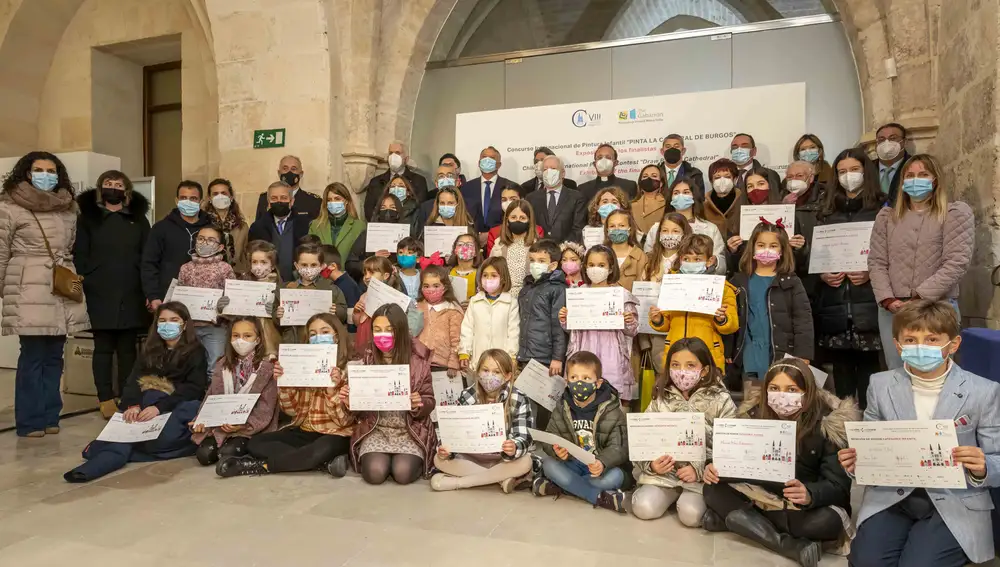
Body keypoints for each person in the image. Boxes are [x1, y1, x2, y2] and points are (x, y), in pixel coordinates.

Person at [842, 300, 1000, 567]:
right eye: (911, 339)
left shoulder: (983, 391)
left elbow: (997, 457)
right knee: (867, 561)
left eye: (931, 339)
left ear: (953, 344)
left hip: (954, 499)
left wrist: (983, 466)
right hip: (893, 494)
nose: (920, 346)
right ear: (898, 344)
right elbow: (870, 444)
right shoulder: (880, 385)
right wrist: (857, 463)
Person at [702, 358, 858, 567]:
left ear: (807, 391)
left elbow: (839, 486)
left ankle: (740, 522)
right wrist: (713, 467)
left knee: (826, 522)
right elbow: (733, 459)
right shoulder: (753, 414)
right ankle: (787, 544)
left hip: (802, 507)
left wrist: (810, 493)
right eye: (774, 388)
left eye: (792, 389)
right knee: (712, 490)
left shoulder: (829, 423)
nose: (782, 396)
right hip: (762, 495)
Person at [63, 303, 207, 481]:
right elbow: (133, 381)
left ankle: (113, 452)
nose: (167, 324)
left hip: (175, 405)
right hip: (145, 402)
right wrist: (132, 405)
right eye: (162, 320)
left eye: (173, 320)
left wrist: (158, 408)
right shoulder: (149, 349)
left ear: (184, 324)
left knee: (158, 440)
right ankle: (91, 469)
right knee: (129, 426)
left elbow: (194, 388)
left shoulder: (196, 351)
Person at [0, 152, 89, 437]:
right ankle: (30, 421)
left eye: (51, 170)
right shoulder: (9, 207)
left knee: (54, 356)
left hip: (61, 284)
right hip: (28, 284)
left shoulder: (68, 208)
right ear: (26, 173)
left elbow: (71, 245)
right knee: (33, 355)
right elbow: (1, 251)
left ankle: (51, 416)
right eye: (39, 169)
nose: (46, 175)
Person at [868, 154, 973, 370]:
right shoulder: (887, 217)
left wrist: (919, 297)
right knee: (897, 372)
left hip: (937, 306)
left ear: (935, 179)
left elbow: (957, 262)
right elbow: (877, 261)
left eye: (923, 174)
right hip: (894, 310)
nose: (916, 180)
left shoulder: (954, 213)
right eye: (910, 175)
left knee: (937, 375)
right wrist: (888, 300)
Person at [217, 313, 354, 478]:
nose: (318, 337)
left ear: (336, 337)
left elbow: (345, 421)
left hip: (335, 434)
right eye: (313, 334)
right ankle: (321, 463)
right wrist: (285, 383)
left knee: (322, 449)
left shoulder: (349, 368)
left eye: (324, 332)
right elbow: (291, 411)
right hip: (304, 430)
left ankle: (260, 466)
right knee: (256, 443)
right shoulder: (302, 363)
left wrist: (332, 390)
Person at [631, 338, 736, 525]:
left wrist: (699, 469)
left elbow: (731, 445)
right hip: (664, 474)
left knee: (691, 516)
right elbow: (643, 438)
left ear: (704, 370)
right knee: (643, 508)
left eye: (690, 365)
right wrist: (651, 465)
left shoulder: (721, 399)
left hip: (699, 478)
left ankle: (683, 500)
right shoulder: (661, 397)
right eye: (676, 365)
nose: (682, 371)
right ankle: (666, 496)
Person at [812, 148, 885, 407]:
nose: (848, 176)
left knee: (871, 378)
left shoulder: (882, 208)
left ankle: (870, 434)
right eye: (841, 172)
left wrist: (871, 272)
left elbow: (892, 252)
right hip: (835, 304)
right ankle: (843, 438)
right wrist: (822, 272)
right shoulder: (825, 210)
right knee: (841, 381)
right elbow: (816, 252)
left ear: (867, 171)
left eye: (854, 170)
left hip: (869, 303)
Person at [75, 170, 151, 419]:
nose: (113, 188)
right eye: (108, 183)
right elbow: (80, 254)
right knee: (103, 348)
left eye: (118, 184)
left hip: (132, 291)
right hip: (100, 291)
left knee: (128, 349)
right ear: (100, 188)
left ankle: (126, 395)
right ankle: (105, 397)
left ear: (126, 190)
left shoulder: (139, 220)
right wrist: (89, 277)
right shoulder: (88, 219)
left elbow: (147, 255)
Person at [345, 304, 436, 485]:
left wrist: (420, 404)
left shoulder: (419, 359)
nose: (382, 334)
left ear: (401, 330)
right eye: (377, 330)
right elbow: (356, 406)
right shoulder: (365, 357)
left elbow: (430, 400)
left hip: (410, 429)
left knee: (402, 473)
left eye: (389, 329)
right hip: (376, 427)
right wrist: (350, 401)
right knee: (374, 473)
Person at [534, 350, 628, 513]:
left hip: (601, 468)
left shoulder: (612, 410)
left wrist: (602, 462)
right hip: (573, 464)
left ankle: (562, 486)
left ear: (598, 383)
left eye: (586, 378)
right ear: (566, 381)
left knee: (616, 477)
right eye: (574, 378)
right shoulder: (562, 407)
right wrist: (557, 452)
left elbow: (619, 447)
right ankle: (597, 496)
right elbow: (550, 438)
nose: (579, 383)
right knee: (549, 464)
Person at [729, 223, 814, 398]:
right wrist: (729, 350)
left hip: (781, 354)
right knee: (752, 403)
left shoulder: (792, 282)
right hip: (749, 354)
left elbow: (803, 320)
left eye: (773, 246)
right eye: (761, 245)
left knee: (779, 403)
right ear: (752, 247)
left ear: (782, 250)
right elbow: (730, 318)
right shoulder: (738, 281)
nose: (766, 249)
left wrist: (803, 354)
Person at [432, 349, 535, 492]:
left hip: (502, 459)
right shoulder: (467, 395)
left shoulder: (518, 398)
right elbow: (452, 431)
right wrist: (445, 450)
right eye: (485, 370)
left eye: (497, 372)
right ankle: (499, 479)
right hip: (472, 457)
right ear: (478, 372)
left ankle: (459, 483)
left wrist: (514, 447)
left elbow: (524, 437)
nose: (489, 376)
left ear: (507, 376)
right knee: (438, 459)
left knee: (526, 462)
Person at [558, 243, 639, 404]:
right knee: (581, 393)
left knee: (611, 398)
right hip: (583, 347)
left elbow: (633, 330)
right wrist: (565, 319)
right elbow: (570, 328)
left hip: (611, 352)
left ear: (610, 268)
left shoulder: (621, 295)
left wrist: (628, 321)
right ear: (585, 267)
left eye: (601, 265)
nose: (596, 269)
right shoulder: (578, 294)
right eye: (591, 265)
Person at [191, 316, 278, 466]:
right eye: (236, 336)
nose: (240, 340)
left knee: (228, 453)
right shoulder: (222, 364)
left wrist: (243, 425)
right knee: (204, 455)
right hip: (222, 424)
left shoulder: (267, 367)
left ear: (258, 339)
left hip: (250, 426)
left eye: (247, 336)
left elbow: (267, 406)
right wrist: (202, 419)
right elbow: (212, 395)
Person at [649, 234, 738, 370]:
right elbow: (666, 324)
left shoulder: (722, 288)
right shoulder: (672, 285)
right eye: (686, 259)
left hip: (708, 355)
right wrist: (658, 319)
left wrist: (722, 319)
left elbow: (732, 326)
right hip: (676, 353)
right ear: (680, 259)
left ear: (710, 260)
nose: (691, 263)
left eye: (697, 259)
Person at [142, 180, 212, 310]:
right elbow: (149, 264)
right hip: (168, 296)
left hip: (204, 297)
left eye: (193, 198)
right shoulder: (161, 228)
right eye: (183, 198)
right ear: (176, 200)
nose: (188, 201)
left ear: (201, 202)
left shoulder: (211, 229)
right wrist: (153, 295)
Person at [177, 226, 236, 376]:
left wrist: (225, 305)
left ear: (220, 246)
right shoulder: (185, 268)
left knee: (215, 367)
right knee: (190, 366)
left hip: (215, 327)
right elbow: (179, 295)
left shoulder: (225, 268)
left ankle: (212, 397)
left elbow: (234, 297)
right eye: (201, 239)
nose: (205, 243)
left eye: (211, 240)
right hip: (190, 328)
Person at [639, 213, 692, 377]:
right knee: (661, 372)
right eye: (665, 230)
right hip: (656, 330)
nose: (669, 235)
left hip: (682, 326)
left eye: (675, 231)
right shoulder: (650, 262)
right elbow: (642, 297)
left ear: (685, 234)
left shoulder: (690, 262)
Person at [644, 176, 727, 274]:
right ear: (670, 198)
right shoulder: (656, 228)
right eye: (676, 193)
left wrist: (709, 264)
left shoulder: (710, 228)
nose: (681, 196)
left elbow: (721, 264)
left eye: (686, 192)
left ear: (694, 196)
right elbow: (647, 258)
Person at [217, 240, 282, 356]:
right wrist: (223, 306)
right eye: (254, 262)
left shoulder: (280, 288)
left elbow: (284, 321)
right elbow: (232, 315)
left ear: (272, 266)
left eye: (263, 262)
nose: (258, 266)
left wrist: (275, 312)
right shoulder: (240, 283)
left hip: (269, 340)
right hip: (244, 337)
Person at [273, 242, 348, 341]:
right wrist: (278, 315)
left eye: (313, 265)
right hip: (293, 340)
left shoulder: (331, 288)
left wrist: (336, 311)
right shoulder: (285, 289)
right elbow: (275, 315)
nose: (308, 269)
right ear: (296, 265)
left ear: (322, 266)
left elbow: (343, 312)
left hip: (320, 341)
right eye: (304, 265)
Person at [352, 256, 424, 354]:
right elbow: (358, 323)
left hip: (384, 340)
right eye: (365, 273)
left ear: (385, 275)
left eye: (371, 272)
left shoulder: (396, 297)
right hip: (364, 338)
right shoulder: (364, 296)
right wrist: (356, 312)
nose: (367, 276)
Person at [517, 239, 568, 378]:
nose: (535, 264)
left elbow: (559, 326)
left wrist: (557, 358)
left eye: (541, 261)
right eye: (532, 260)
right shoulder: (526, 288)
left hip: (545, 358)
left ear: (553, 265)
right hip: (524, 355)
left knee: (543, 398)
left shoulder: (558, 289)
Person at [458, 257, 519, 370]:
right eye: (485, 275)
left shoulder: (511, 303)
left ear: (503, 279)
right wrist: (464, 352)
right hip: (477, 362)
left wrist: (511, 355)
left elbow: (513, 332)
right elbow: (467, 328)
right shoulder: (475, 301)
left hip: (501, 362)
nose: (488, 279)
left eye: (494, 275)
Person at [248, 181, 311, 283]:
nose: (279, 201)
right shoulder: (257, 227)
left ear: (292, 201)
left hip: (297, 283)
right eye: (274, 198)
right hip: (266, 283)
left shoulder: (305, 225)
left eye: (283, 198)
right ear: (268, 202)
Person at [308, 182, 366, 278]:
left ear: (346, 201)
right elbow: (310, 253)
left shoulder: (359, 226)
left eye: (337, 199)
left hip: (348, 279)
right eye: (329, 200)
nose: (333, 203)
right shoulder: (316, 225)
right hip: (320, 279)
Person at [415, 265, 464, 377]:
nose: (431, 290)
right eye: (426, 286)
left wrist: (453, 364)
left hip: (443, 366)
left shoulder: (453, 310)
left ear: (445, 287)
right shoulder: (417, 307)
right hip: (419, 364)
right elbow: (410, 335)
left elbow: (457, 340)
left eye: (436, 286)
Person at [525, 155, 586, 243]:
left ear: (563, 173)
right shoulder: (531, 198)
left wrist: (563, 248)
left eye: (553, 168)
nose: (549, 172)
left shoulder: (576, 197)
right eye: (545, 169)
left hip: (566, 251)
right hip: (539, 251)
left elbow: (578, 229)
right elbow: (529, 227)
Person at [362, 142, 429, 220]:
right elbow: (369, 210)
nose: (393, 156)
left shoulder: (419, 181)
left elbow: (421, 209)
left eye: (397, 153)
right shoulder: (375, 182)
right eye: (390, 153)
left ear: (406, 159)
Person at [781, 160, 823, 281]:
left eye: (799, 176)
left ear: (810, 178)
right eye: (790, 177)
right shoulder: (779, 197)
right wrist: (783, 207)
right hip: (789, 268)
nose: (794, 179)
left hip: (815, 268)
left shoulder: (824, 198)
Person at [460, 146, 518, 232]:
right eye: (484, 157)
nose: (487, 160)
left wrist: (491, 234)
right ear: (479, 163)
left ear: (499, 164)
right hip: (473, 238)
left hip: (501, 237)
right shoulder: (466, 188)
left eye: (492, 158)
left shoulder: (510, 187)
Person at [490, 200, 538, 298]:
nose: (518, 220)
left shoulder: (537, 246)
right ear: (507, 220)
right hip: (502, 298)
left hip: (528, 298)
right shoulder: (498, 245)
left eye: (523, 218)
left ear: (529, 221)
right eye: (513, 217)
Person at [255, 155, 322, 221]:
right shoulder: (265, 198)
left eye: (293, 169)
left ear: (301, 174)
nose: (289, 172)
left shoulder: (314, 202)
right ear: (279, 173)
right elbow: (258, 228)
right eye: (285, 168)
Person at [203, 178, 249, 274]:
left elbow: (245, 257)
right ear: (210, 198)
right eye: (215, 194)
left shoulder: (242, 227)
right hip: (209, 275)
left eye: (223, 193)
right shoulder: (203, 224)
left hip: (236, 277)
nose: (220, 196)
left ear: (231, 197)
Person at [485, 187, 543, 255]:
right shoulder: (497, 240)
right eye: (504, 199)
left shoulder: (537, 233)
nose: (517, 220)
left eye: (512, 199)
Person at [730, 133, 782, 202]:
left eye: (745, 146)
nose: (739, 150)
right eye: (735, 147)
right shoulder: (724, 175)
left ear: (754, 151)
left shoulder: (771, 175)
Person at [604, 209, 647, 292]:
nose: (617, 229)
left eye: (622, 225)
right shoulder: (600, 254)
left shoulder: (640, 256)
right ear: (607, 230)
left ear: (630, 229)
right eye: (612, 226)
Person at [703, 158, 742, 238]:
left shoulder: (743, 201)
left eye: (727, 177)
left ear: (735, 179)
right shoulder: (703, 207)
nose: (722, 180)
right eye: (717, 177)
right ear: (711, 181)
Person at [874, 122, 911, 205]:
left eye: (893, 138)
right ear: (876, 145)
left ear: (904, 142)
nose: (887, 143)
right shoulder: (867, 167)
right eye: (881, 139)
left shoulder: (914, 165)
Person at [632, 164, 667, 234]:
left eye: (654, 176)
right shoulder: (631, 205)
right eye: (645, 176)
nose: (649, 179)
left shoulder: (668, 204)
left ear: (661, 183)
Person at [447, 232, 481, 303]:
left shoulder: (481, 274)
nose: (465, 248)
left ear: (476, 252)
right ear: (455, 250)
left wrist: (472, 303)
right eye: (460, 244)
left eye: (469, 245)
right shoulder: (447, 272)